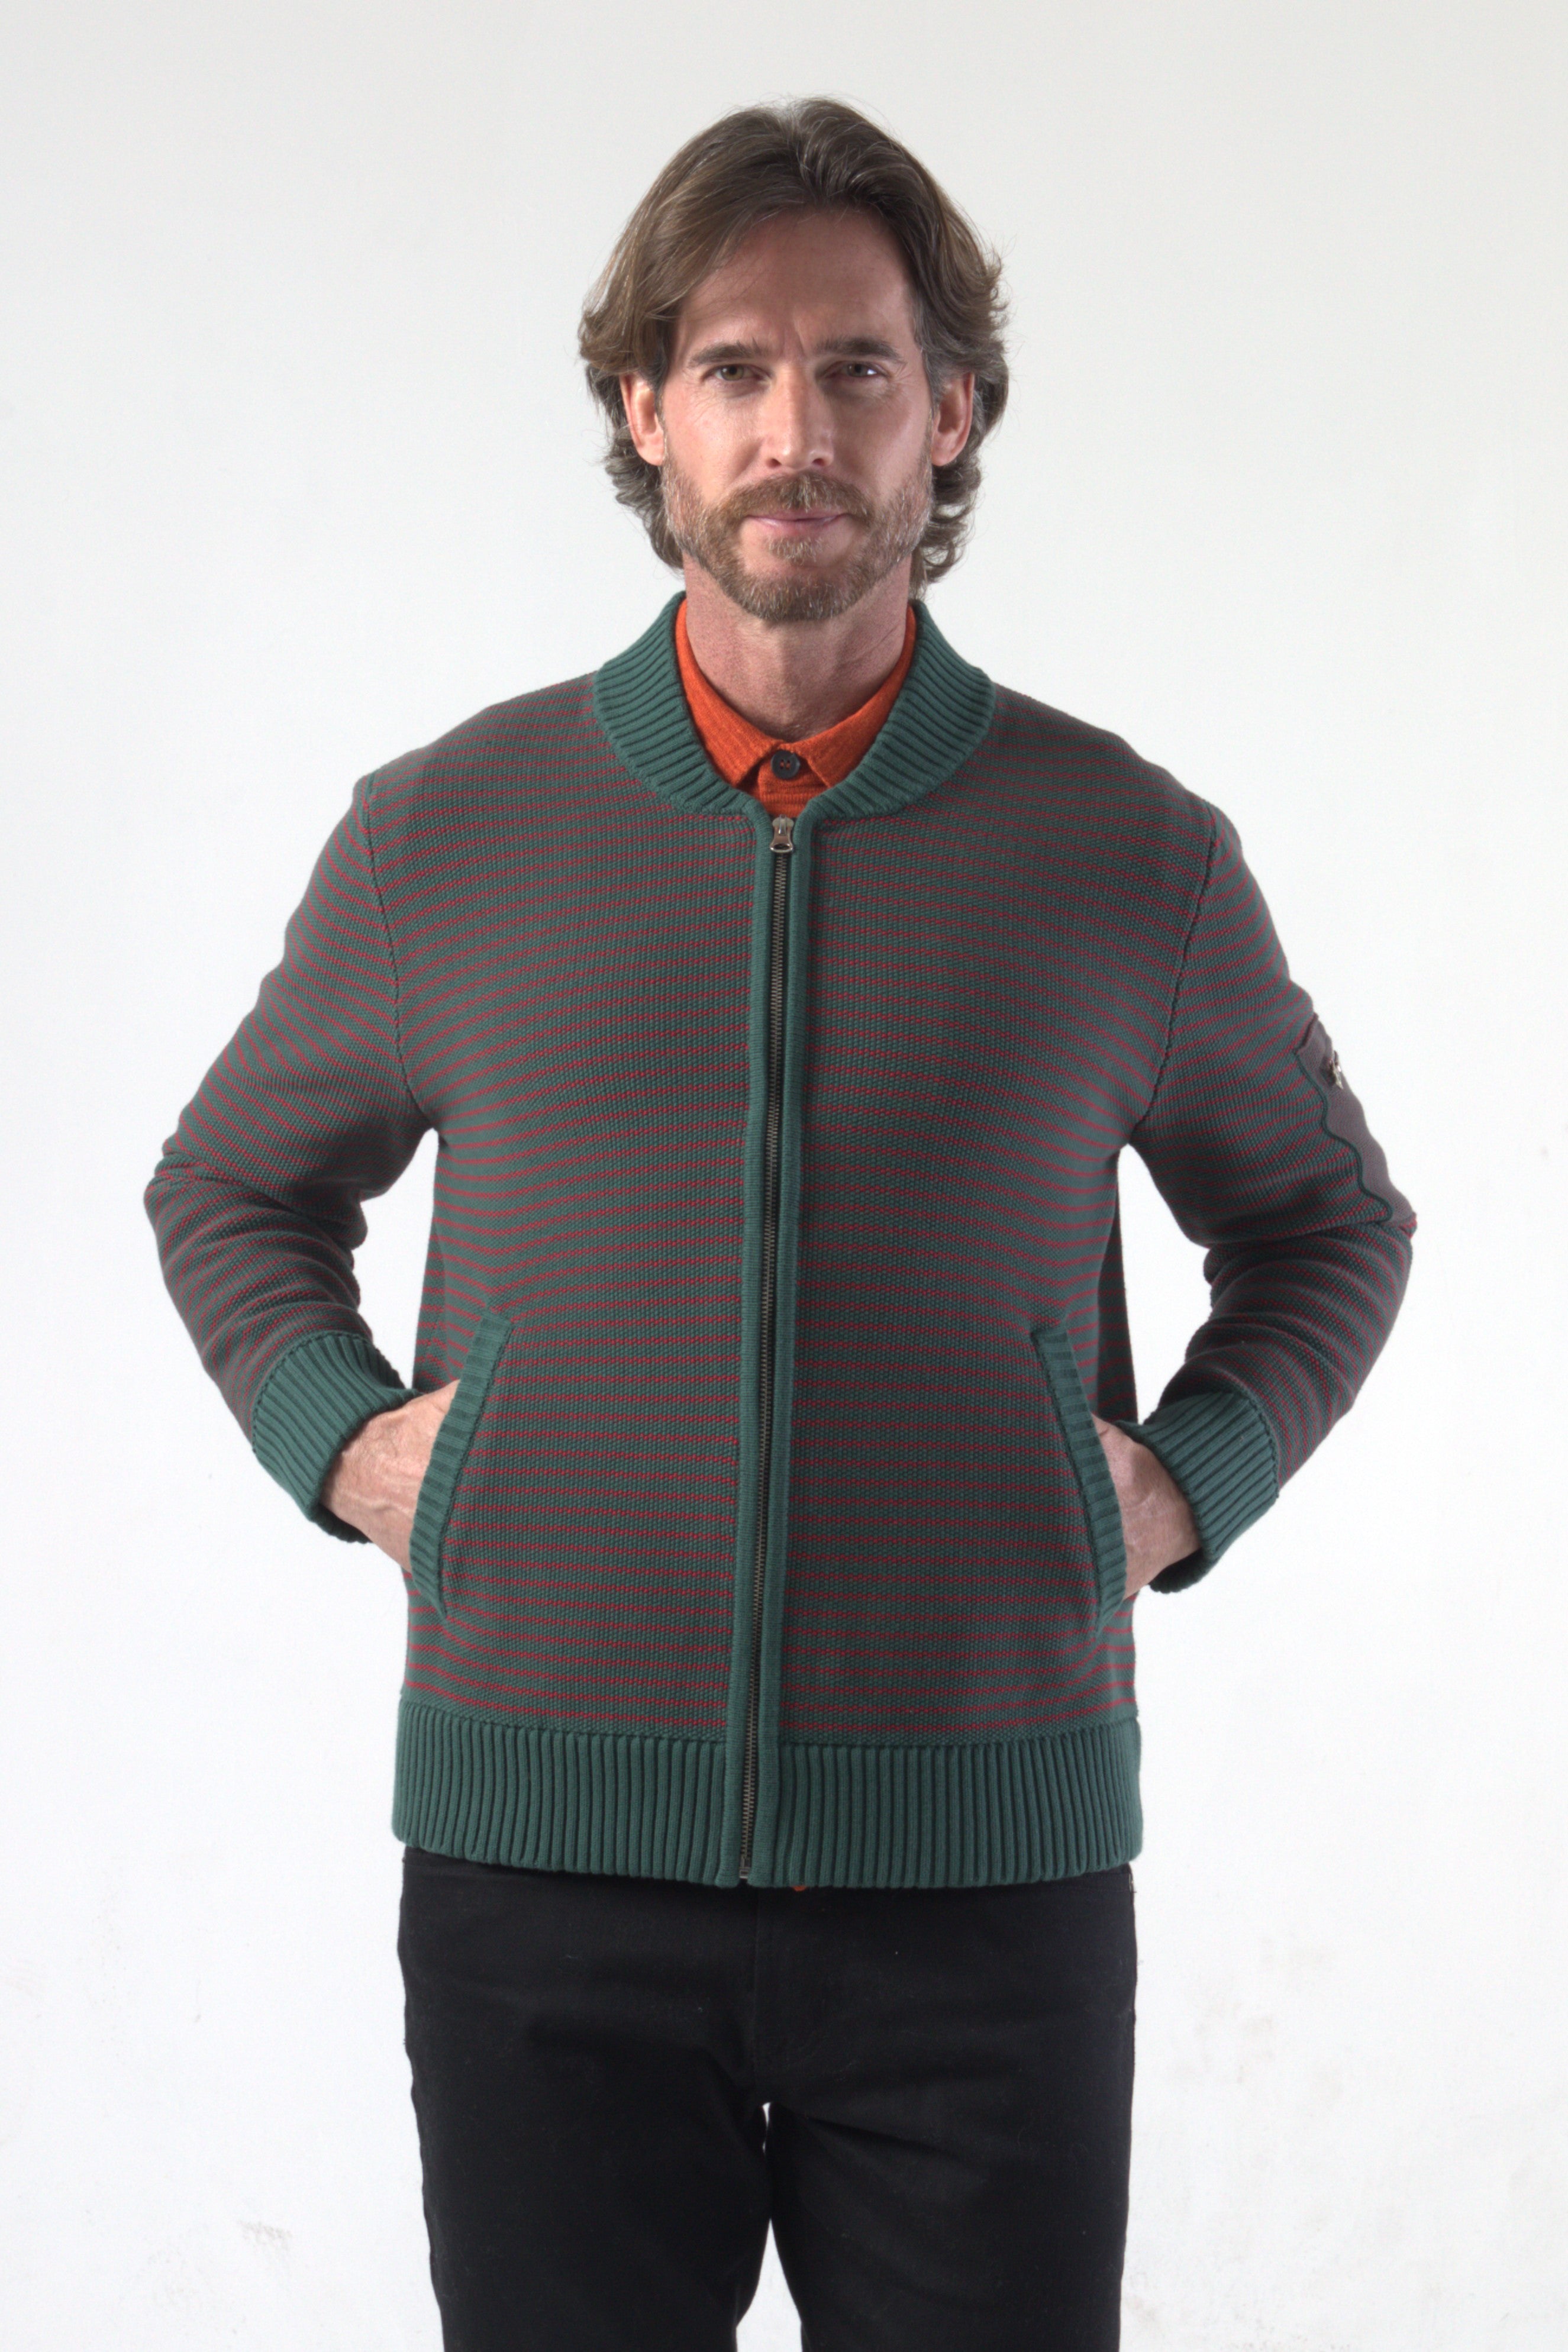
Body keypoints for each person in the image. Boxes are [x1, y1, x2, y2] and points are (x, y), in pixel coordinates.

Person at [146, 97, 1414, 2352]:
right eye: (732, 368)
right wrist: (344, 1444)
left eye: (856, 370)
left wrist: (1178, 1481)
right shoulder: (446, 837)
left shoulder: (1128, 857)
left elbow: (1326, 1224)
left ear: (952, 413)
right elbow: (233, 1183)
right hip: (539, 1887)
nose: (794, 433)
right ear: (645, 408)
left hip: (986, 1896)